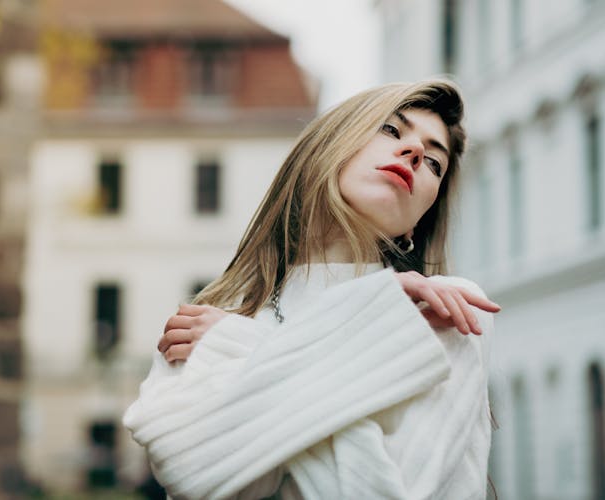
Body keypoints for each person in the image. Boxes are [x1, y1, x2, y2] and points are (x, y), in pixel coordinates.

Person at [123, 79, 502, 499]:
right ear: (329, 146)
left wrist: (239, 347)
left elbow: (382, 492)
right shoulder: (210, 313)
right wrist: (367, 319)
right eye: (392, 130)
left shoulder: (446, 311)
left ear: (419, 221)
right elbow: (190, 470)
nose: (414, 153)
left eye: (434, 162)